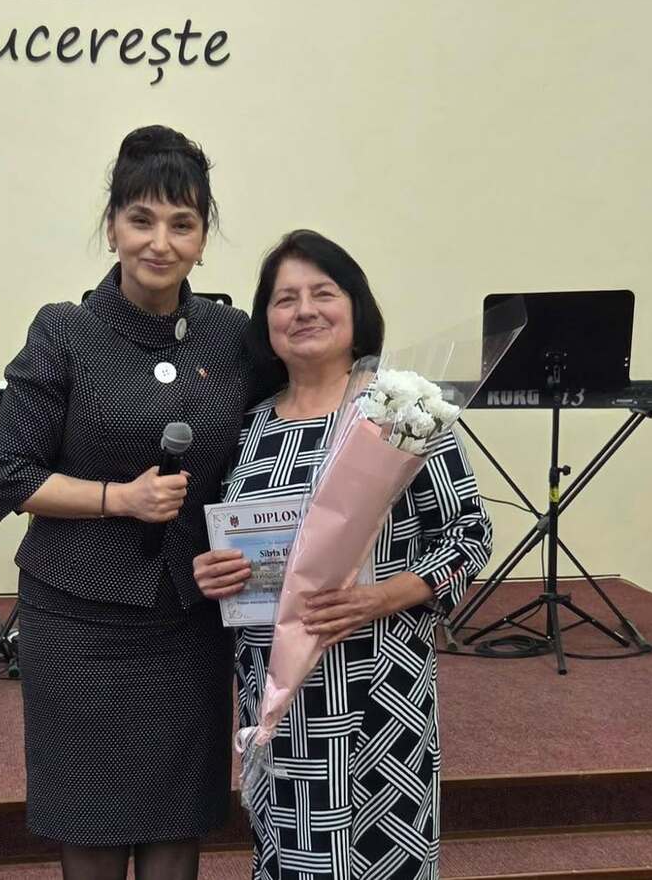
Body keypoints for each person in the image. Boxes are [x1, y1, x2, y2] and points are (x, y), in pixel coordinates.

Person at [0, 125, 250, 880]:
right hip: (78, 617)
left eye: (182, 224)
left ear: (203, 239)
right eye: (141, 220)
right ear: (112, 227)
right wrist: (120, 498)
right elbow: (12, 476)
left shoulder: (233, 337)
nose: (160, 243)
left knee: (177, 822)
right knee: (92, 823)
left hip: (189, 619)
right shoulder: (64, 332)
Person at [193, 230, 493, 880]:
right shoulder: (248, 428)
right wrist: (213, 569)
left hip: (379, 687)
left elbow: (469, 537)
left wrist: (377, 597)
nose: (304, 310)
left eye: (322, 293)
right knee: (289, 850)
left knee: (382, 857)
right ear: (265, 321)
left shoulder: (402, 414)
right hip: (276, 691)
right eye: (285, 299)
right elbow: (229, 542)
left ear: (356, 307)